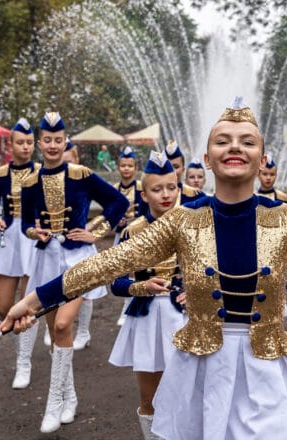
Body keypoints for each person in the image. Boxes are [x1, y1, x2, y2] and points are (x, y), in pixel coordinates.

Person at [0, 97, 287, 440]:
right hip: (201, 362)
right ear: (207, 159)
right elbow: (108, 263)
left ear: (261, 158)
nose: (234, 147)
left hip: (266, 361)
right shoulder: (183, 221)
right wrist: (34, 300)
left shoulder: (286, 219)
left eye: (247, 141)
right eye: (222, 141)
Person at [20, 112, 128, 433]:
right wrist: (34, 232)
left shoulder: (82, 174)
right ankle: (70, 397)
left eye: (58, 140)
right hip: (46, 260)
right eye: (47, 140)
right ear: (39, 143)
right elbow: (25, 223)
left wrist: (97, 232)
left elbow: (118, 202)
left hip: (78, 258)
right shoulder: (30, 182)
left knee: (63, 324)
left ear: (65, 141)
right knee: (55, 334)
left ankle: (54, 402)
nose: (53, 145)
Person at [108, 151, 187, 439]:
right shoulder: (133, 231)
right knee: (149, 398)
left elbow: (210, 270)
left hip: (183, 318)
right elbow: (116, 283)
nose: (165, 195)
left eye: (171, 187)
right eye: (157, 189)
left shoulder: (191, 225)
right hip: (146, 317)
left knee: (186, 393)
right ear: (144, 195)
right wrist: (141, 287)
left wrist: (193, 290)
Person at [0, 118, 39, 389]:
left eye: (29, 142)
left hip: (33, 237)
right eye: (20, 142)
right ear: (10, 145)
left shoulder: (42, 172)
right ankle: (20, 351)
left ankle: (24, 362)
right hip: (10, 238)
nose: (25, 147)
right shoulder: (0, 175)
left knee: (27, 303)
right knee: (3, 307)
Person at [113, 146, 144, 327]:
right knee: (122, 269)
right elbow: (109, 213)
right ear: (118, 167)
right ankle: (127, 303)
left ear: (136, 168)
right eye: (123, 165)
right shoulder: (114, 189)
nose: (126, 169)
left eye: (130, 166)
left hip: (138, 236)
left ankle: (131, 304)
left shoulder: (141, 188)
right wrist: (116, 221)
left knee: (136, 269)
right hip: (120, 235)